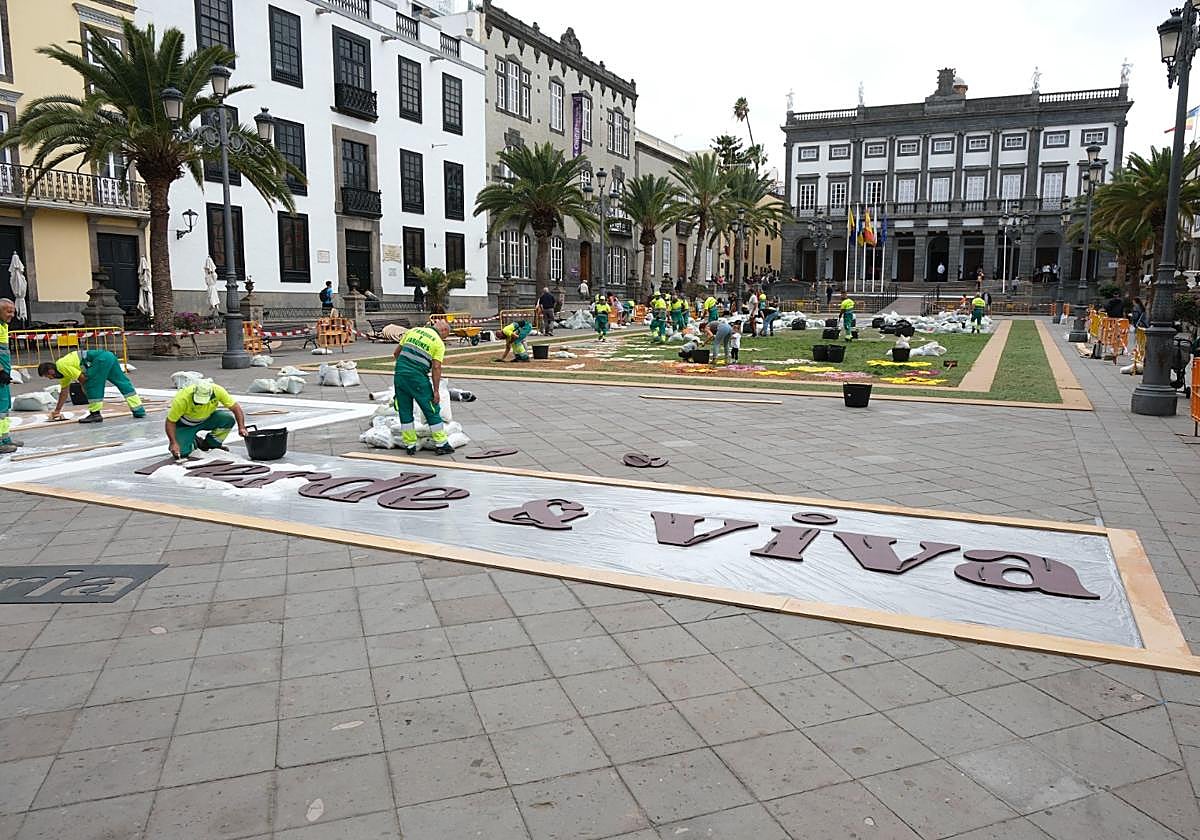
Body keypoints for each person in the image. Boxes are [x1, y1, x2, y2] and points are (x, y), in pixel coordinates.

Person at [393, 319, 454, 456]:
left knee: (404, 409)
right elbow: (436, 367)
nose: (445, 339)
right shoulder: (438, 343)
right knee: (431, 408)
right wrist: (436, 391)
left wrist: (405, 367)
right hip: (417, 378)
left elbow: (396, 353)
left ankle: (410, 444)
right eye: (446, 336)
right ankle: (441, 443)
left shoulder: (413, 331)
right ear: (444, 330)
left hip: (400, 375)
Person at [40, 348, 145, 424]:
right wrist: (57, 411)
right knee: (122, 383)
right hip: (108, 356)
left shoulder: (62, 366)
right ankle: (138, 410)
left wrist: (87, 392)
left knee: (92, 384)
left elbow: (83, 379)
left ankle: (95, 414)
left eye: (47, 376)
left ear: (51, 371)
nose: (49, 379)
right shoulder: (63, 374)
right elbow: (64, 392)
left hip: (100, 360)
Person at [166, 378, 248, 458]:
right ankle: (195, 441)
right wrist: (173, 442)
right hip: (186, 425)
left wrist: (241, 427)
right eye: (197, 401)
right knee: (182, 452)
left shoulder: (217, 391)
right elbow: (170, 422)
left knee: (227, 420)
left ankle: (210, 444)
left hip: (207, 419)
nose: (200, 404)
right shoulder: (182, 398)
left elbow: (236, 408)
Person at [0, 299, 18, 454]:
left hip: (3, 375)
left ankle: (5, 438)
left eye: (13, 311)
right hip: (0, 374)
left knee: (4, 408)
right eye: (8, 311)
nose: (12, 315)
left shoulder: (3, 326)